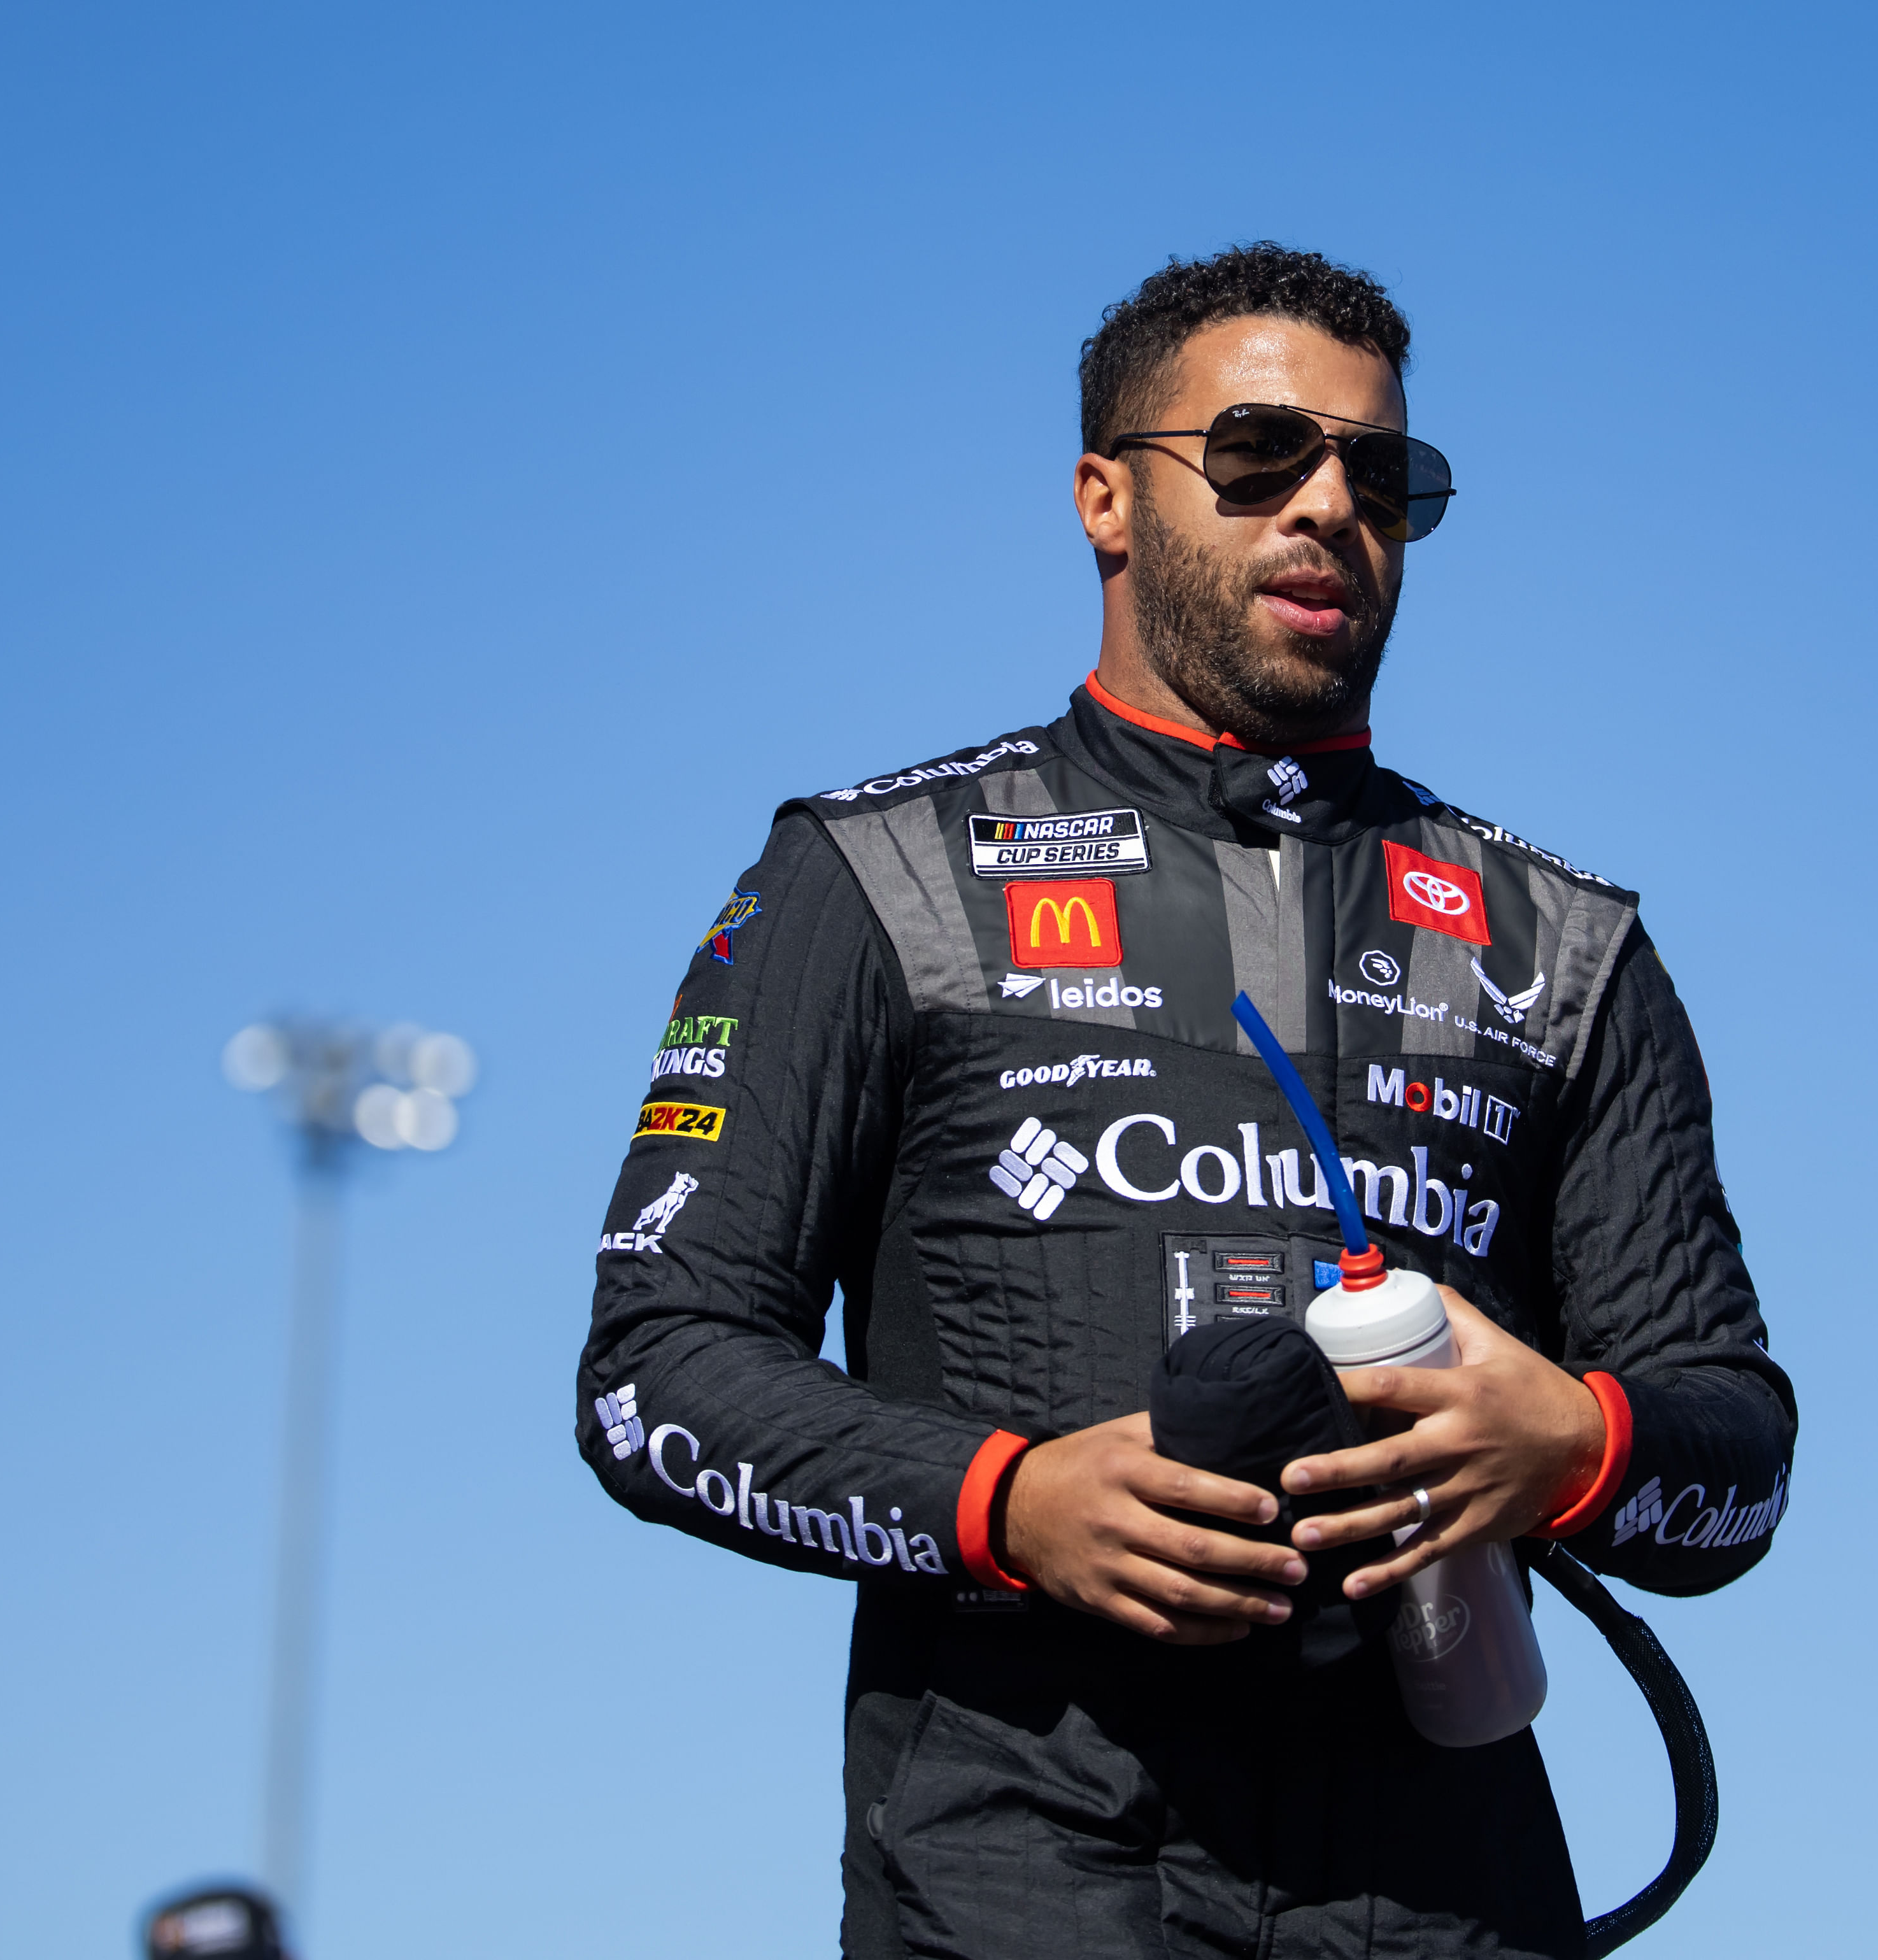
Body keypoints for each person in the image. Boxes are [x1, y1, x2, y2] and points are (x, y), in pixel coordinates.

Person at [577, 243, 1795, 1959]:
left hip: (1445, 1888)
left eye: (1385, 476)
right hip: (1019, 1874)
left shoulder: (1568, 943)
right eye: (1256, 456)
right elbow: (655, 1378)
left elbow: (1738, 1453)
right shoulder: (872, 876)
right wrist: (1008, 1504)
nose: (1327, 507)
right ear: (1106, 498)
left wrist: (1575, 1446)